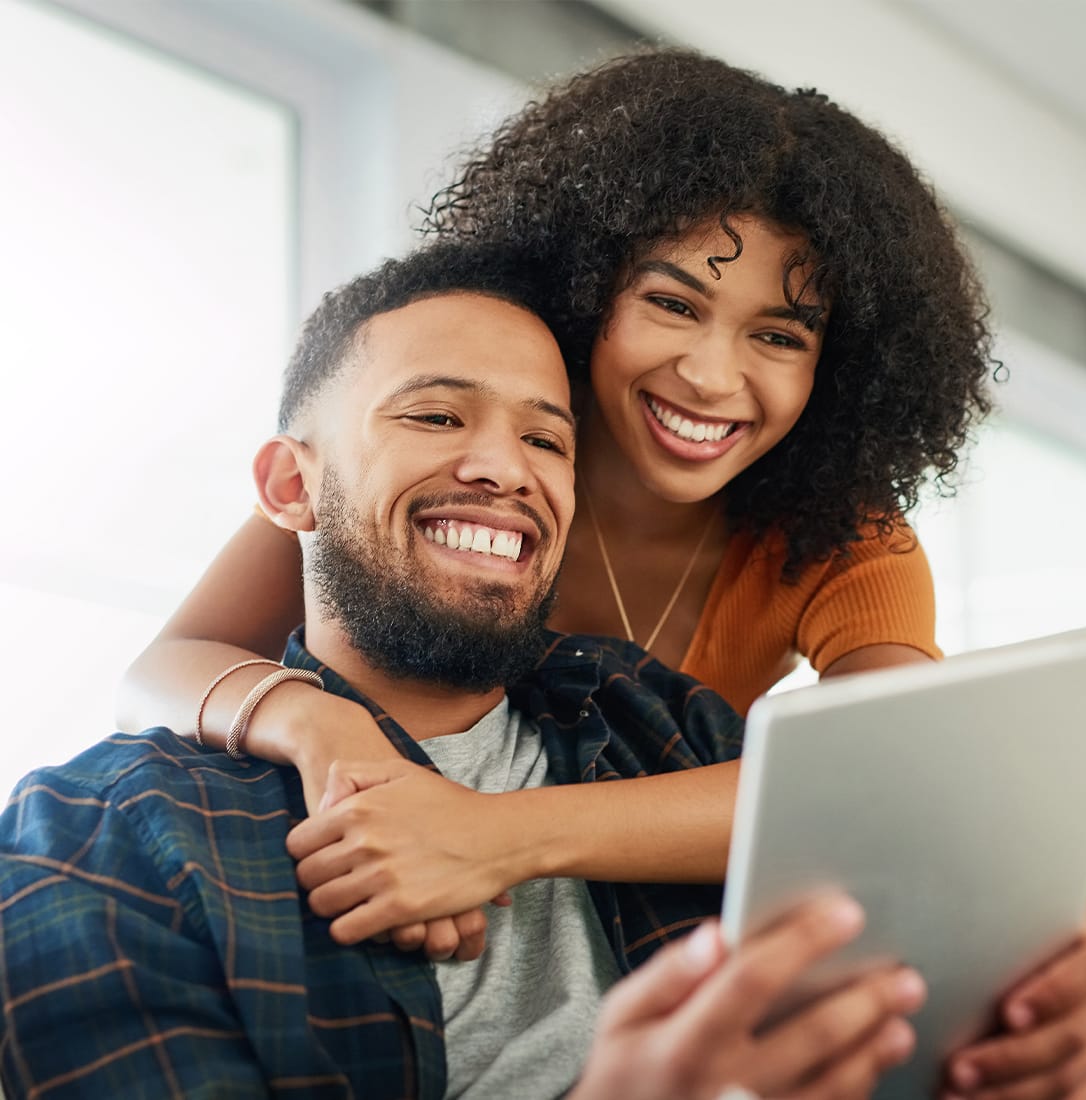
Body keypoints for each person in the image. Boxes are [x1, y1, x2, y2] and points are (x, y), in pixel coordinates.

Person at [112, 49, 1086, 1094]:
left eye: (778, 333)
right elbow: (169, 662)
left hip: (609, 928)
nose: (711, 373)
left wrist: (491, 836)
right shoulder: (474, 483)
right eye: (674, 303)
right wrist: (319, 729)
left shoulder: (843, 539)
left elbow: (905, 784)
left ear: (841, 365)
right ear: (586, 286)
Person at [0, 244, 927, 1099]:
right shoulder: (104, 837)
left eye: (547, 439)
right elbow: (163, 668)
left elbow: (912, 820)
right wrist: (322, 726)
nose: (500, 468)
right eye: (436, 415)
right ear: (292, 486)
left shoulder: (657, 723)